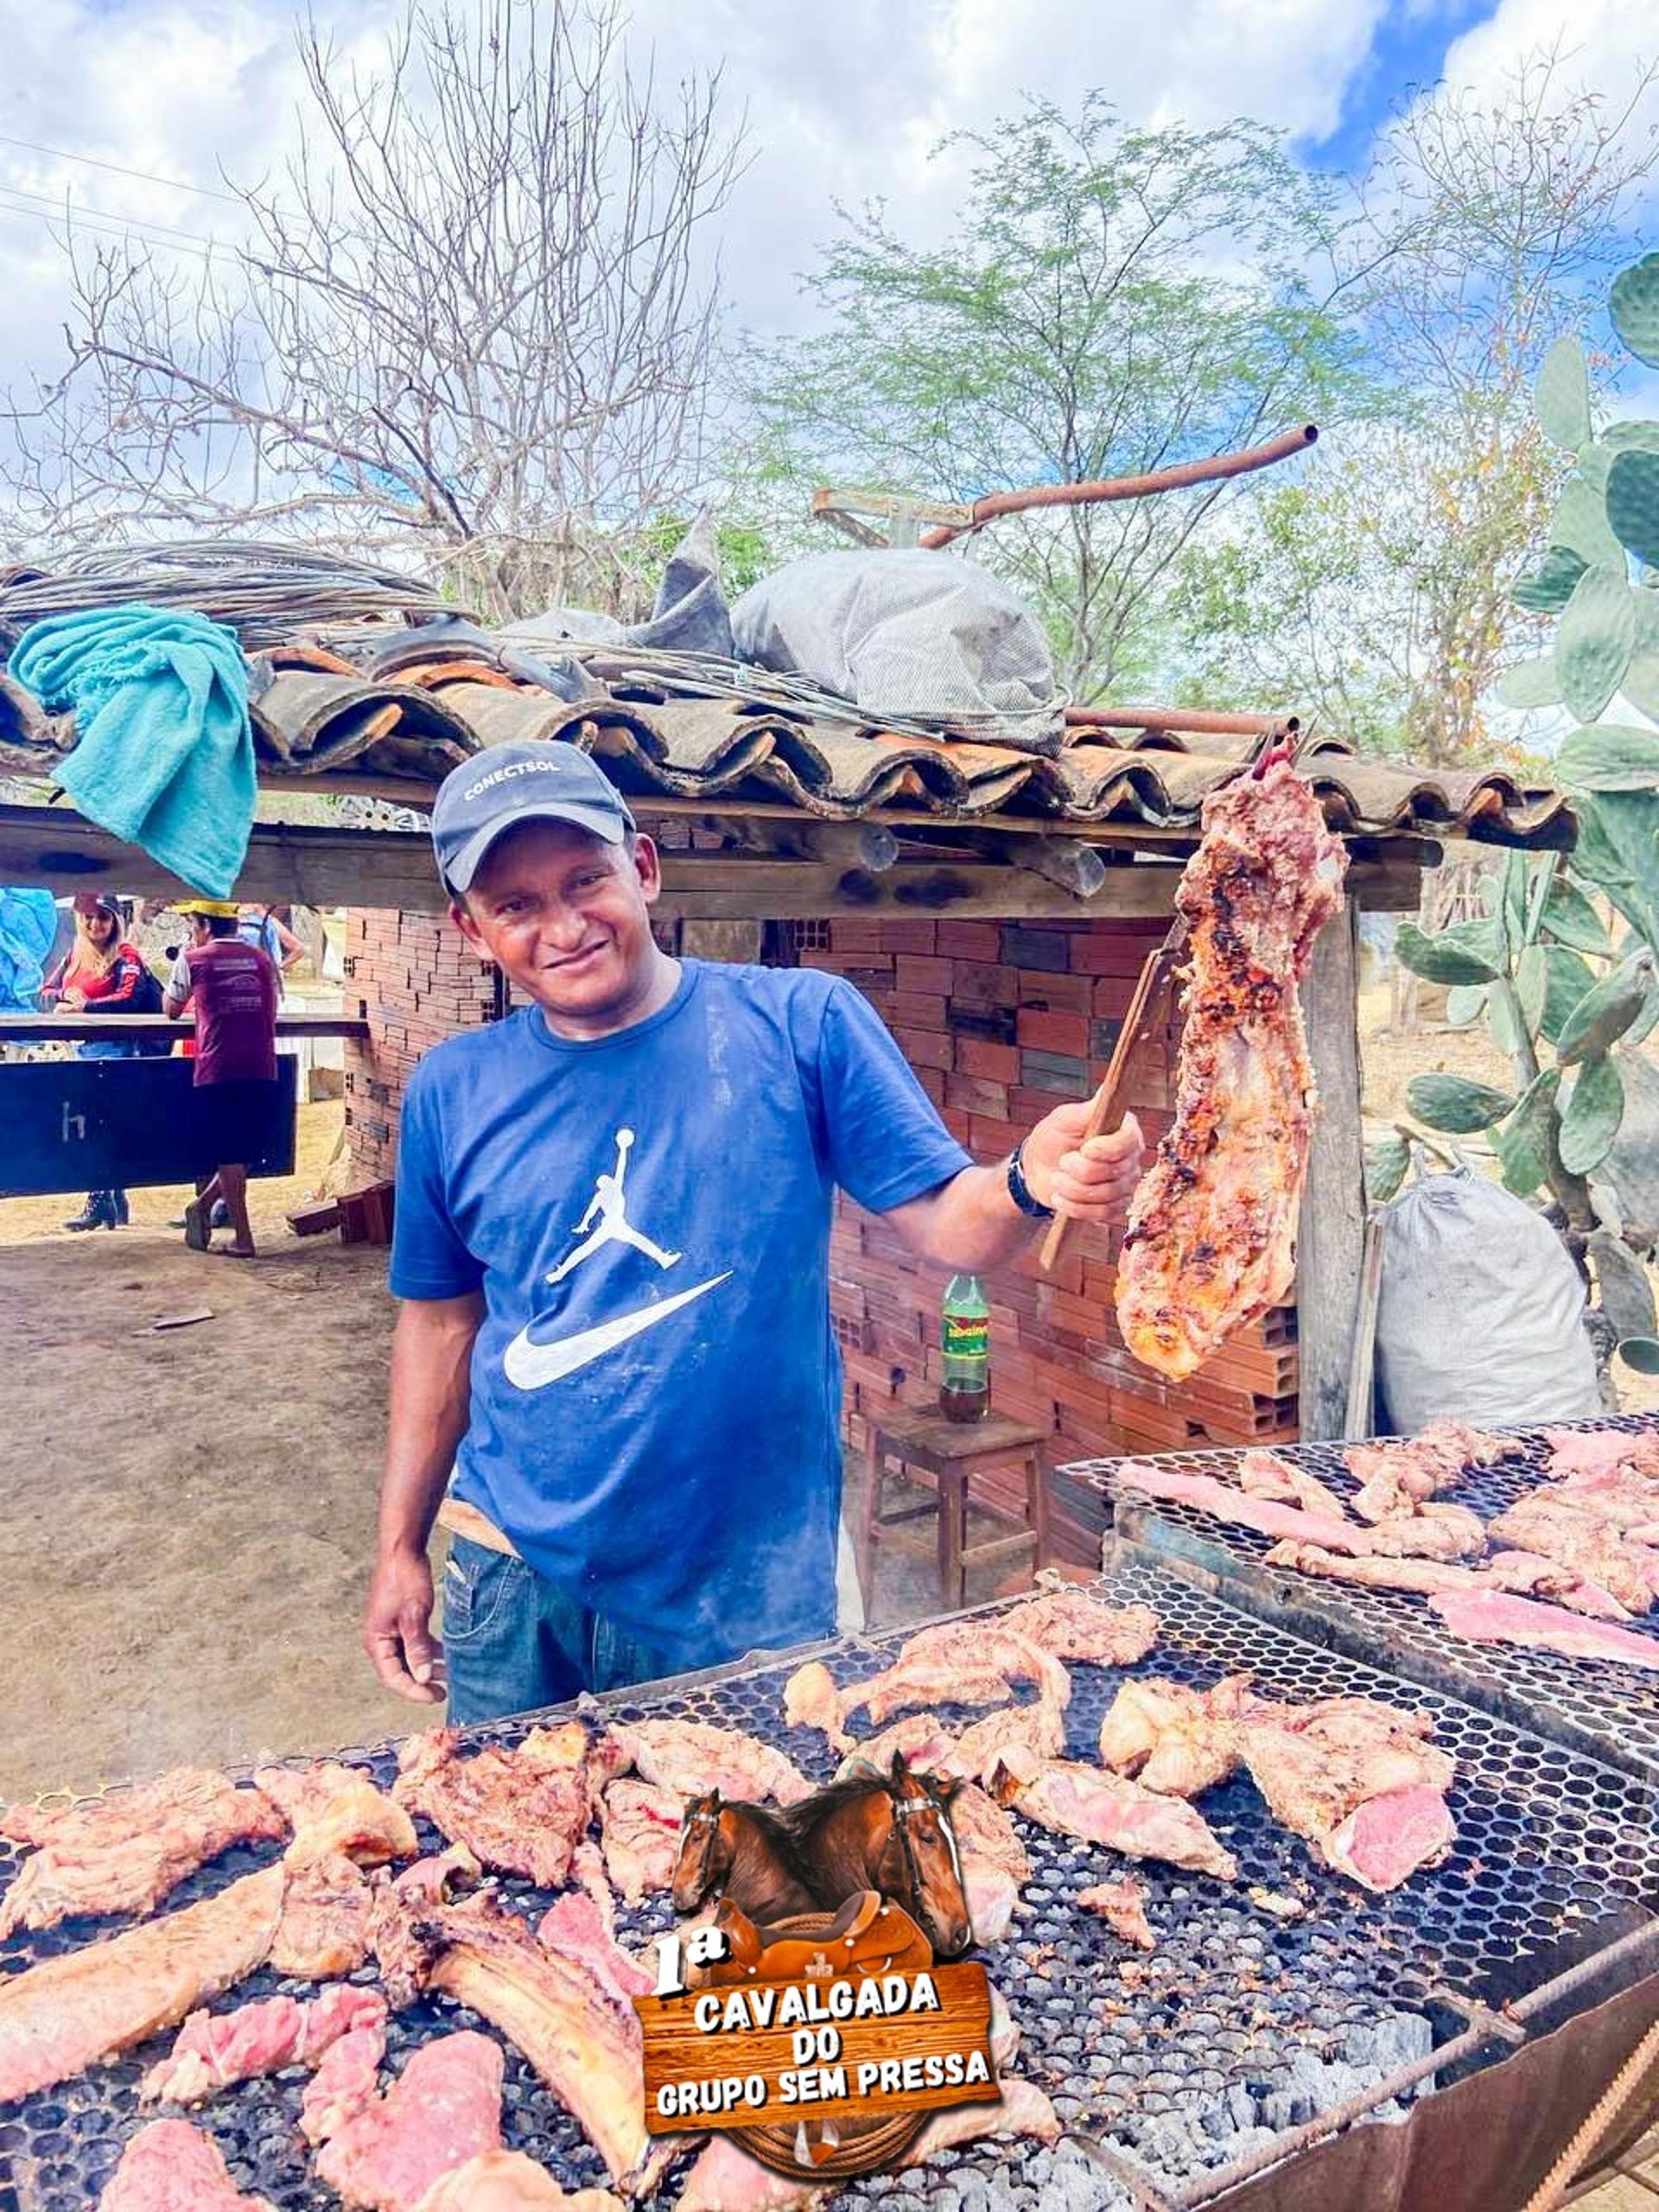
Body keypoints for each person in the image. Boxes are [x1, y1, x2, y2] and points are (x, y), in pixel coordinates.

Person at [363, 741, 1146, 1726]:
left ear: (643, 868)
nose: (563, 927)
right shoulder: (453, 1089)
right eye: (516, 905)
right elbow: (440, 1326)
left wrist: (1031, 1179)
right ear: (472, 929)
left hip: (744, 1578)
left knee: (748, 1822)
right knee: (509, 1817)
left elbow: (956, 1226)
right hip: (514, 1568)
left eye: (586, 880)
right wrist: (399, 1545)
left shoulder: (800, 1024)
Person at [162, 899, 281, 1260]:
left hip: (219, 1065)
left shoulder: (193, 959)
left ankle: (243, 1238)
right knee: (244, 1150)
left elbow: (170, 1009)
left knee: (229, 1152)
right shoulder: (262, 959)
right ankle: (202, 1206)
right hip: (262, 1063)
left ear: (204, 926)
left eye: (193, 924)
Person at [41, 893, 157, 1231]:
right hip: (82, 1051)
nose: (95, 924)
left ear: (115, 920)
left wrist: (85, 1008)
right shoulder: (74, 954)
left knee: (101, 1125)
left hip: (117, 1051)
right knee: (97, 1125)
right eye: (89, 917)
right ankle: (112, 1199)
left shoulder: (127, 956)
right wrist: (64, 996)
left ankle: (99, 1201)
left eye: (103, 917)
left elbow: (130, 998)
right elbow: (45, 992)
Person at [238, 903, 305, 977]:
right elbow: (299, 949)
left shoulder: (271, 923)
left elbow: (298, 949)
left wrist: (278, 967)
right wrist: (279, 968)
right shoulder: (271, 922)